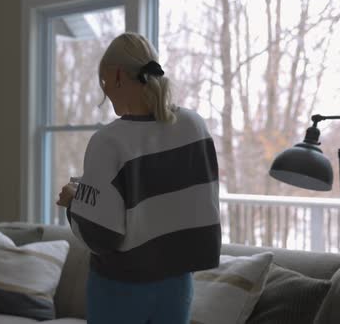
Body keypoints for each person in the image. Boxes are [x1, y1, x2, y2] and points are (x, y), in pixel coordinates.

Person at [56, 32, 221, 324]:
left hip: (119, 287)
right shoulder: (194, 126)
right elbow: (198, 200)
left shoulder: (109, 141)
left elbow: (102, 235)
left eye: (104, 82)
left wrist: (73, 201)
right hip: (178, 286)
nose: (104, 93)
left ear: (118, 76)